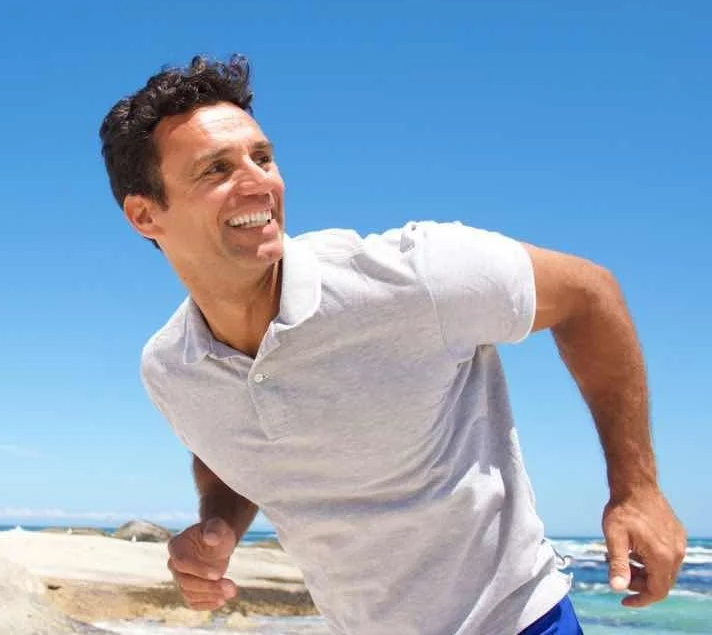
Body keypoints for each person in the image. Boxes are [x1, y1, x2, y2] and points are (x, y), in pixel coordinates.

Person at [98, 54, 686, 634]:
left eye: (263, 157)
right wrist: (217, 526)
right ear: (146, 215)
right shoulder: (171, 370)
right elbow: (224, 446)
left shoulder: (413, 277)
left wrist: (636, 489)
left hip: (519, 620)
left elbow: (588, 293)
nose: (259, 183)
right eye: (216, 169)